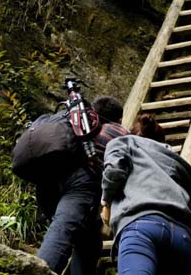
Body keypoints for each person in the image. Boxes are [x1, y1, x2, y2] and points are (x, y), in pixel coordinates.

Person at [36, 96, 129, 275]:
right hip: (80, 184)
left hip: (48, 180)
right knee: (64, 231)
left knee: (88, 241)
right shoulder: (118, 131)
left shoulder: (75, 125)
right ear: (119, 119)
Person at [101, 114, 191, 275]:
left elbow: (114, 170)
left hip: (141, 227)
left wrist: (106, 202)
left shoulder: (123, 142)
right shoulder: (175, 160)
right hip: (182, 235)